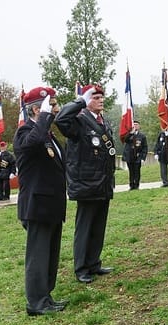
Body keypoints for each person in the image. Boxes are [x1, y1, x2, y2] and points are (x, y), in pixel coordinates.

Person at [13, 86, 67, 316]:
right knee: (38, 256)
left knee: (50, 254)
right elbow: (32, 143)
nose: (56, 108)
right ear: (37, 109)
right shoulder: (25, 133)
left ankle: (46, 296)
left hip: (52, 205)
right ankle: (35, 302)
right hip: (37, 206)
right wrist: (44, 116)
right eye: (51, 105)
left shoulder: (47, 134)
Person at [56, 84, 116, 283]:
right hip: (87, 184)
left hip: (103, 184)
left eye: (101, 97)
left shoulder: (102, 121)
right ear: (87, 100)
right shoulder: (79, 121)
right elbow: (60, 119)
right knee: (85, 227)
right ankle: (81, 267)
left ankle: (93, 263)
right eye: (95, 97)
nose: (100, 100)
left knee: (98, 226)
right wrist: (80, 100)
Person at [123, 120, 148, 190]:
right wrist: (131, 133)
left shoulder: (142, 136)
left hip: (138, 156)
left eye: (137, 124)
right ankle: (131, 185)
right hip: (130, 156)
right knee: (131, 171)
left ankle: (136, 185)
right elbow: (125, 140)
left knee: (137, 171)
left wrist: (143, 157)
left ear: (139, 126)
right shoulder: (129, 134)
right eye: (134, 124)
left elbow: (145, 147)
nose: (135, 126)